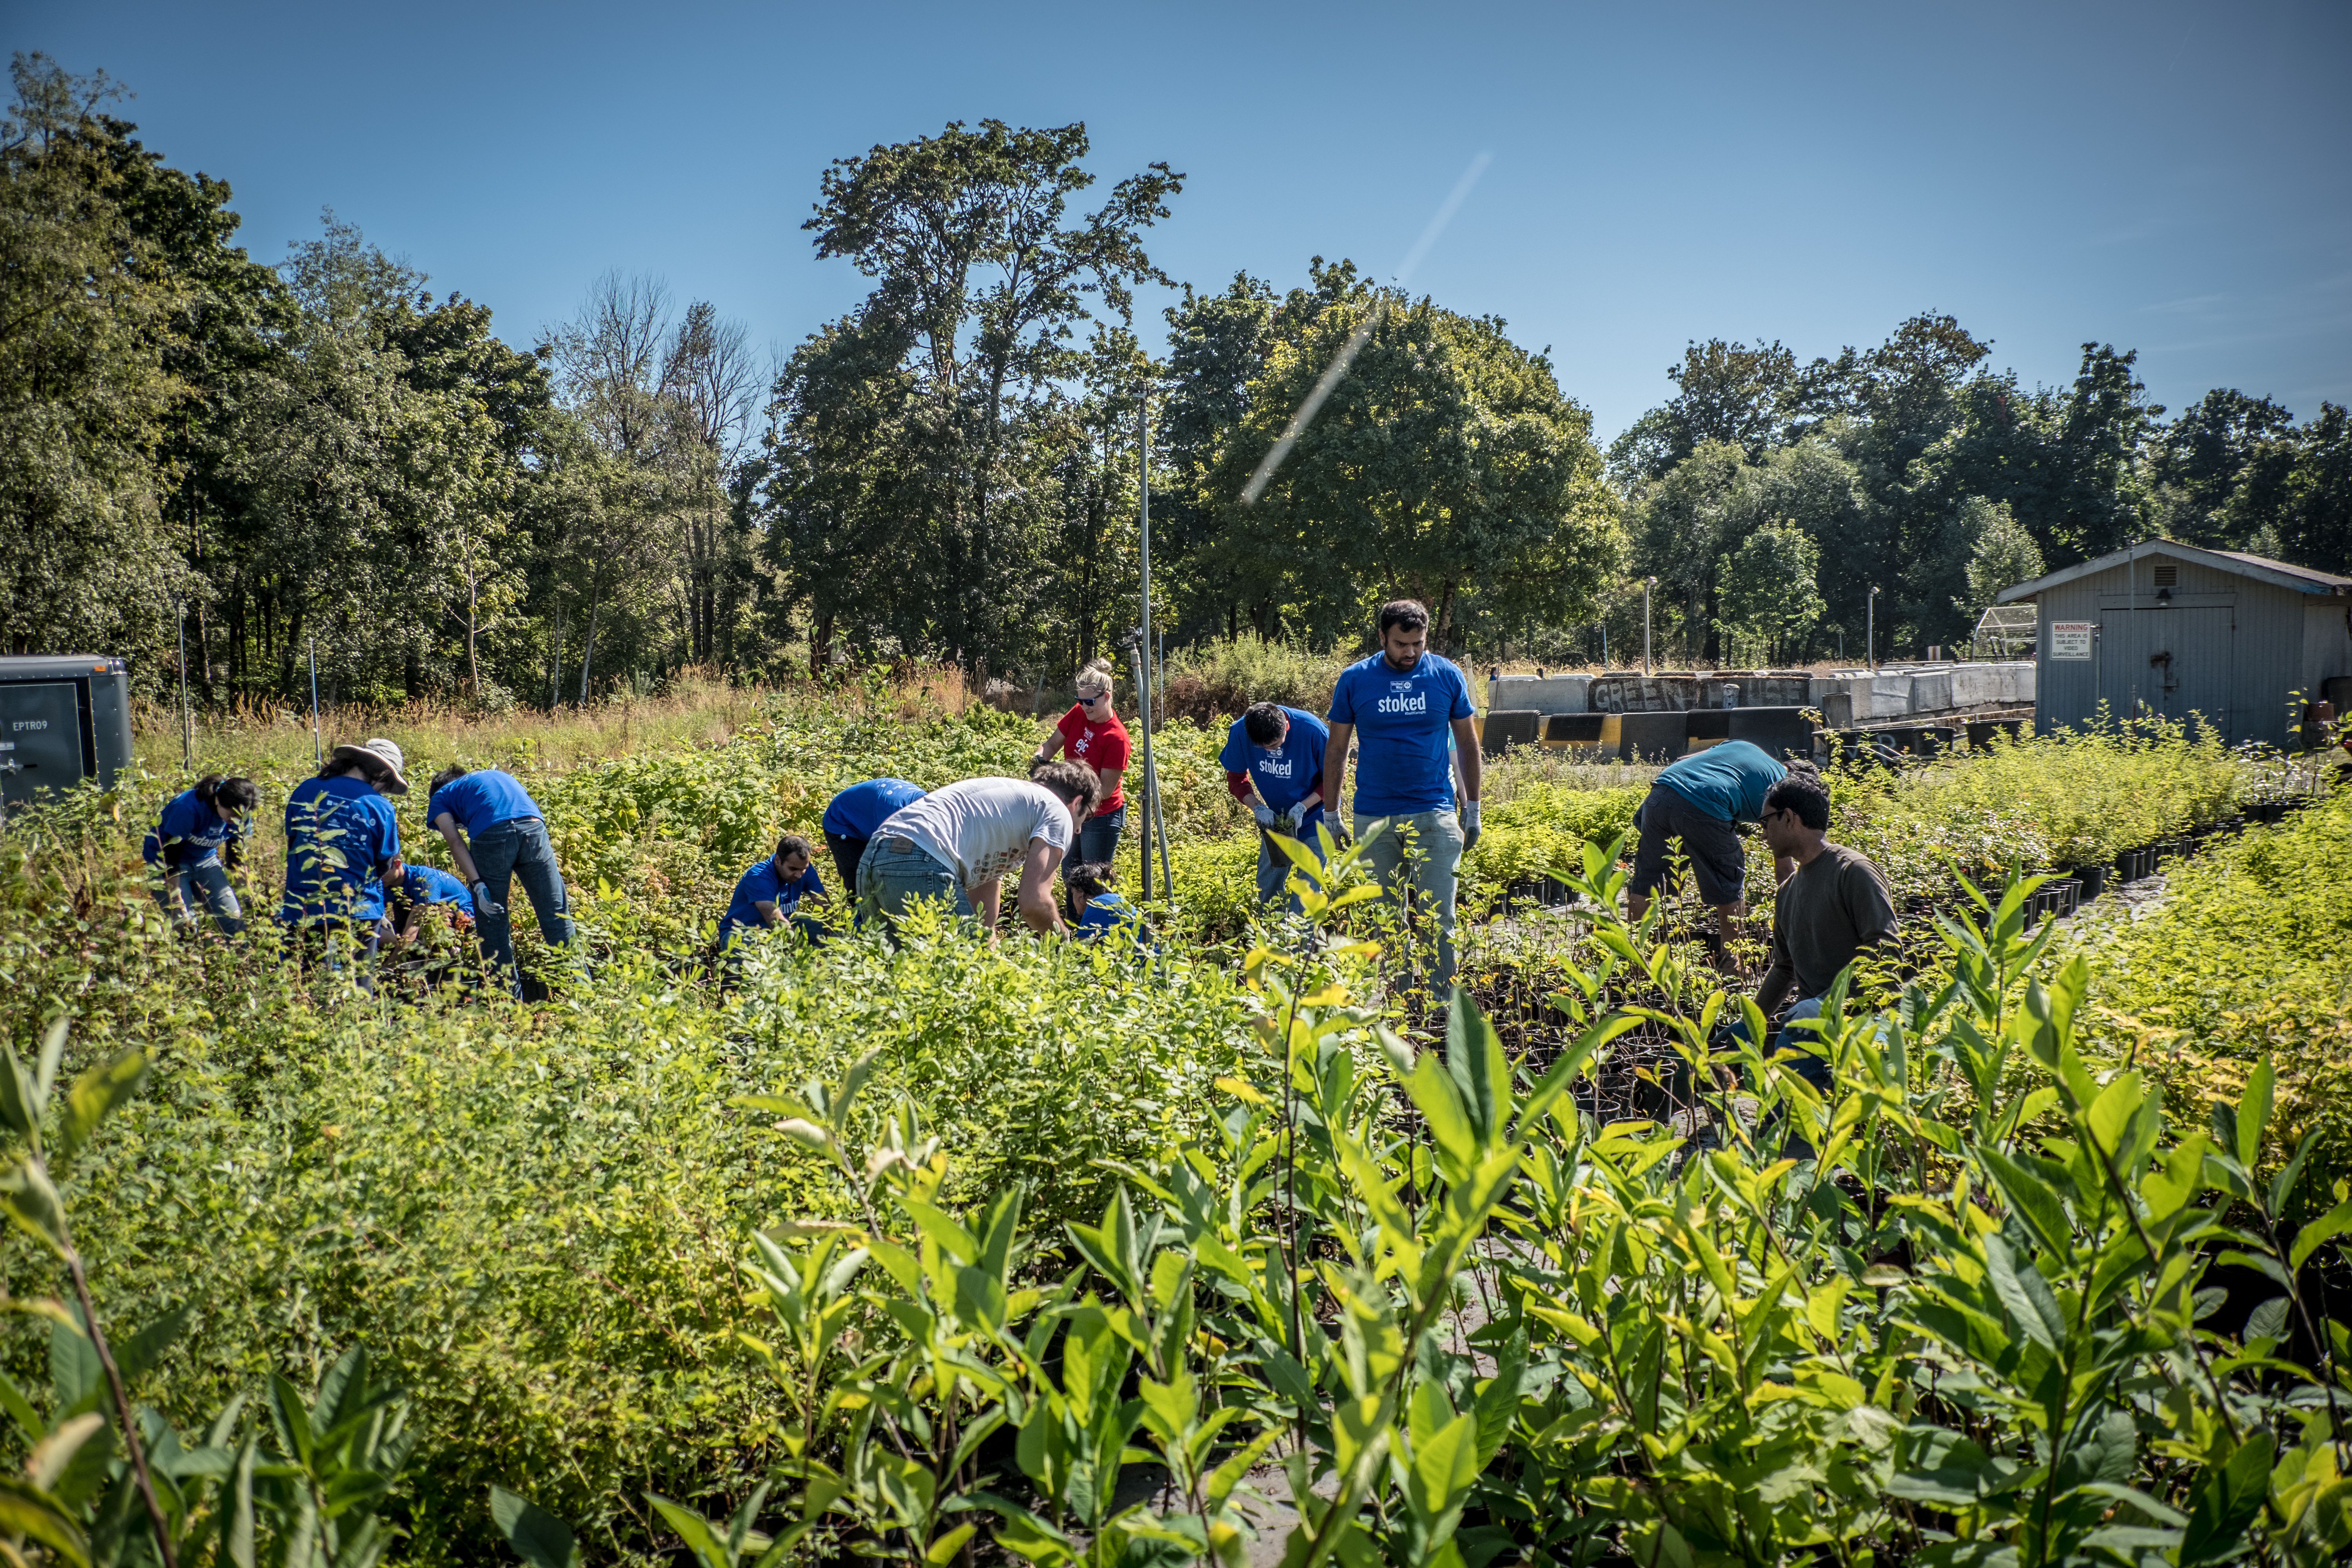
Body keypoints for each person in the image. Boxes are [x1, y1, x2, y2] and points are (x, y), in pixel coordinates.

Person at [1321, 600, 1481, 989]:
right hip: (1374, 818)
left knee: (1438, 915)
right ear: (1382, 637)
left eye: (1418, 643)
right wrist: (1331, 812)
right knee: (1387, 917)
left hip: (1435, 811)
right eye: (1400, 644)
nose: (1410, 652)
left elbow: (1467, 742)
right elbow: (1337, 749)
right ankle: (1401, 1004)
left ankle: (1443, 1006)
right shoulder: (1355, 679)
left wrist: (1473, 805)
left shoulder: (1446, 675)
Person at [1738, 768, 1900, 1149]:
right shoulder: (1788, 893)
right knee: (1731, 1044)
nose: (1762, 832)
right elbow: (1784, 968)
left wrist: (1824, 1005)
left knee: (1792, 1124)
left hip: (1864, 1019)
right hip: (1812, 1023)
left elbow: (1886, 950)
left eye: (1765, 821)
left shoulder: (1853, 871)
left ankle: (1796, 1163)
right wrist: (1749, 1023)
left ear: (1789, 818)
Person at [858, 763, 1098, 937]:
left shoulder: (1015, 804)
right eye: (1086, 818)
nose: (1078, 831)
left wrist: (987, 943)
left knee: (897, 975)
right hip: (922, 861)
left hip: (876, 855)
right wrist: (1061, 939)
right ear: (1077, 802)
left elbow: (986, 894)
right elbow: (1034, 902)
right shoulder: (1057, 811)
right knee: (961, 974)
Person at [1626, 739, 1797, 959]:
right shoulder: (1782, 789)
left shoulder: (1743, 747)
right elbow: (1783, 868)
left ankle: (1633, 958)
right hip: (1707, 800)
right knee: (1728, 880)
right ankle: (1732, 963)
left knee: (1649, 883)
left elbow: (1684, 760)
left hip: (1661, 791)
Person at [424, 763, 576, 995]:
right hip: (534, 827)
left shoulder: (441, 796)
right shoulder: (495, 776)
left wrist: (477, 885)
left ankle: (508, 1006)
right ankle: (582, 995)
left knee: (493, 924)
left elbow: (455, 842)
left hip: (492, 834)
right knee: (556, 915)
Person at [280, 739, 407, 986]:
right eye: (386, 783)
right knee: (361, 989)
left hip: (306, 905)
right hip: (359, 909)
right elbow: (384, 864)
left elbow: (294, 844)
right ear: (379, 773)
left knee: (307, 986)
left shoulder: (306, 790)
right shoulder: (380, 806)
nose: (382, 790)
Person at [1221, 701, 1329, 908]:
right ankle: (1273, 938)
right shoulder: (1240, 732)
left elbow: (1333, 780)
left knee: (1307, 892)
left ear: (1286, 727)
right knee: (1268, 885)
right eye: (1263, 748)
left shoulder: (1312, 731)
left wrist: (1302, 807)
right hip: (1277, 821)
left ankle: (1302, 941)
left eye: (1274, 745)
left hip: (1315, 817)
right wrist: (1258, 808)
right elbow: (1236, 779)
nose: (1269, 750)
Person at [1034, 660, 1129, 867]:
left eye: (1090, 702)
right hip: (1071, 806)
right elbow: (1050, 746)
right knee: (1070, 877)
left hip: (1100, 817)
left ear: (1107, 696)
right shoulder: (1079, 713)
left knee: (1092, 884)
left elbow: (1104, 790)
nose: (1084, 707)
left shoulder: (1117, 738)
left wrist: (1066, 785)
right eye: (1080, 701)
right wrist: (1039, 761)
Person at [143, 774, 260, 936]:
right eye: (232, 815)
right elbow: (170, 859)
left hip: (205, 860)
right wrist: (179, 904)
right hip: (166, 863)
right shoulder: (188, 808)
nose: (236, 820)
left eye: (241, 817)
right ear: (218, 800)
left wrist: (252, 901)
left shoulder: (241, 815)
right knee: (185, 925)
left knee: (233, 919)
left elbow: (236, 860)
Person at [717, 833, 829, 956]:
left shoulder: (805, 870)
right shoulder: (759, 876)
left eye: (803, 869)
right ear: (778, 860)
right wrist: (800, 955)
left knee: (818, 927)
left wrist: (835, 938)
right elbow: (776, 922)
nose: (799, 875)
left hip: (774, 933)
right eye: (793, 869)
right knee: (747, 946)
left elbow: (825, 907)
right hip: (742, 932)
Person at [820, 778, 927, 895]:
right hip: (843, 822)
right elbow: (891, 856)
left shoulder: (928, 801)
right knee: (859, 881)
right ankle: (860, 911)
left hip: (870, 814)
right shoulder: (893, 811)